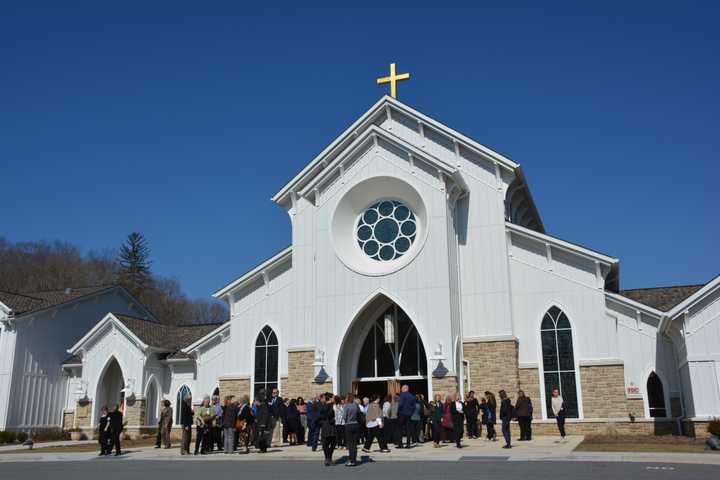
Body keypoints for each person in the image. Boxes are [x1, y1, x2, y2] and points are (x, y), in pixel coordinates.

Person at [342, 393, 360, 467]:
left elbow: (344, 416)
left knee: (350, 444)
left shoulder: (346, 406)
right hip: (356, 424)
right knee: (355, 444)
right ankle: (354, 460)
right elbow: (359, 413)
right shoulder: (356, 405)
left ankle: (351, 460)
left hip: (349, 425)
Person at [319, 392, 337, 466]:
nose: (334, 399)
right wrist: (333, 419)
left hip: (325, 426)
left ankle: (328, 459)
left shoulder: (323, 405)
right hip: (329, 426)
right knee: (332, 443)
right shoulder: (329, 405)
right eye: (332, 397)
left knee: (326, 444)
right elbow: (328, 415)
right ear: (329, 398)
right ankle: (328, 458)